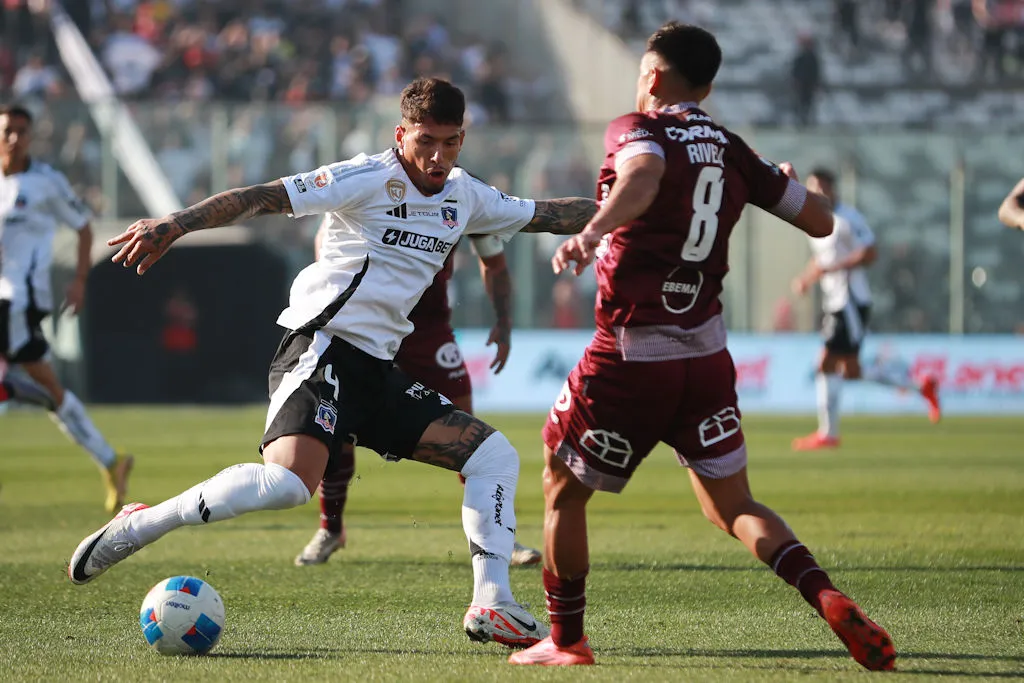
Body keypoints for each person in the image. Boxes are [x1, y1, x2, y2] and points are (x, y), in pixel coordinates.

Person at [67, 78, 596, 649]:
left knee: (493, 456)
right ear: (401, 134)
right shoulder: (365, 177)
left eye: (449, 143)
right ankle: (142, 523)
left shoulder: (466, 195)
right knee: (289, 484)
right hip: (321, 347)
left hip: (377, 370)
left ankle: (492, 602)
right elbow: (261, 197)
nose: (437, 156)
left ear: (462, 140)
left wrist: (637, 206)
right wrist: (175, 223)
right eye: (425, 141)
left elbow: (552, 214)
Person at [509, 23, 896, 670]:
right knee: (734, 506)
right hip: (707, 357)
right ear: (708, 88)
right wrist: (782, 179)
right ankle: (825, 595)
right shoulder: (734, 149)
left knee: (562, 487)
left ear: (654, 76)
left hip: (630, 356)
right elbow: (820, 219)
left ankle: (567, 640)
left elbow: (642, 177)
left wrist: (592, 231)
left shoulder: (638, 129)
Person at [294, 218, 542, 567]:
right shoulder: (368, 190)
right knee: (337, 428)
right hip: (367, 328)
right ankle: (330, 529)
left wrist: (503, 320)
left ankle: (500, 538)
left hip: (428, 332)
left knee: (471, 435)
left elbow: (494, 262)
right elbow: (326, 241)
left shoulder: (466, 196)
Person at [0, 104, 133, 513]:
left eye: (22, 131)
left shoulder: (46, 182)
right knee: (49, 388)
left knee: (27, 380)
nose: (14, 138)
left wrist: (79, 280)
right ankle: (111, 460)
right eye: (7, 130)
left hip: (19, 296)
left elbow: (83, 228)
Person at [790, 167, 940, 451]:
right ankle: (921, 386)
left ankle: (828, 434)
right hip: (834, 301)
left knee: (825, 362)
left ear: (833, 189)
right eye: (812, 187)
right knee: (851, 371)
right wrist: (806, 279)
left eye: (821, 186)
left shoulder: (848, 218)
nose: (816, 192)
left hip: (850, 301)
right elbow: (821, 259)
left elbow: (870, 252)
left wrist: (834, 268)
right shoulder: (816, 220)